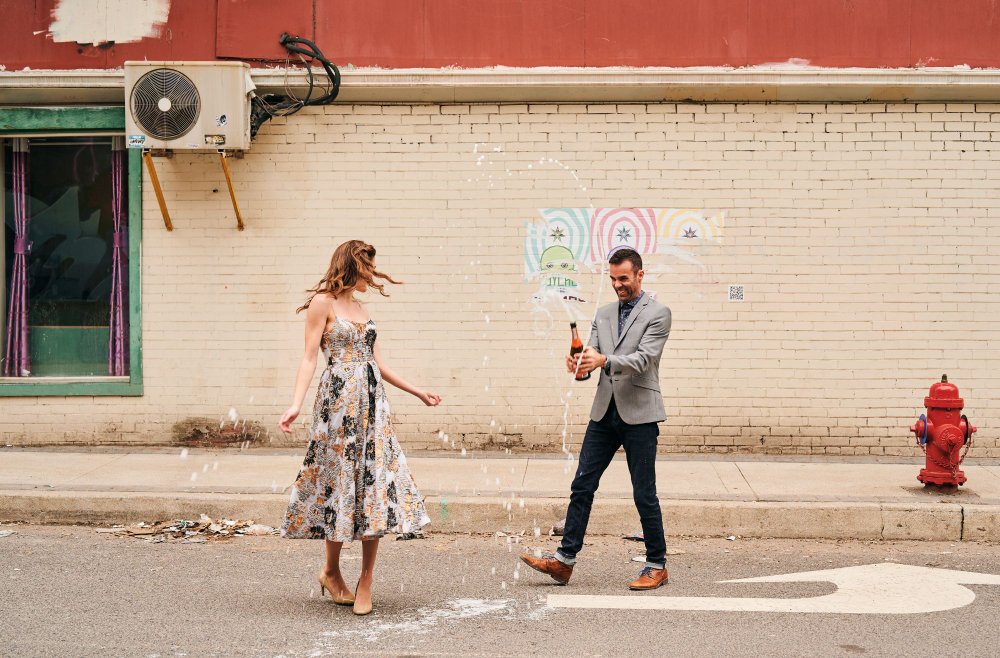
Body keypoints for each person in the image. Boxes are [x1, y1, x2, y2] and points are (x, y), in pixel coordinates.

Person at [279, 240, 441, 615]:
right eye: (368, 267)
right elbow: (309, 358)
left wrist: (417, 391)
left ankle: (366, 579)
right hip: (337, 408)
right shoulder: (323, 303)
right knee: (339, 483)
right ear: (353, 266)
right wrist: (295, 404)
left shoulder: (364, 310)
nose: (373, 274)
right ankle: (331, 572)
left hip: (373, 407)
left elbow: (377, 364)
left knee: (374, 486)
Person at [521, 247, 672, 590]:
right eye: (613, 279)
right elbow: (591, 354)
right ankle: (564, 562)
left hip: (640, 414)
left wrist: (603, 361)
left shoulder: (658, 313)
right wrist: (580, 365)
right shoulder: (603, 314)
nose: (618, 285)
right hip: (604, 412)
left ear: (640, 275)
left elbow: (644, 359)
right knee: (582, 486)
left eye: (624, 278)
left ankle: (657, 565)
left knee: (644, 493)